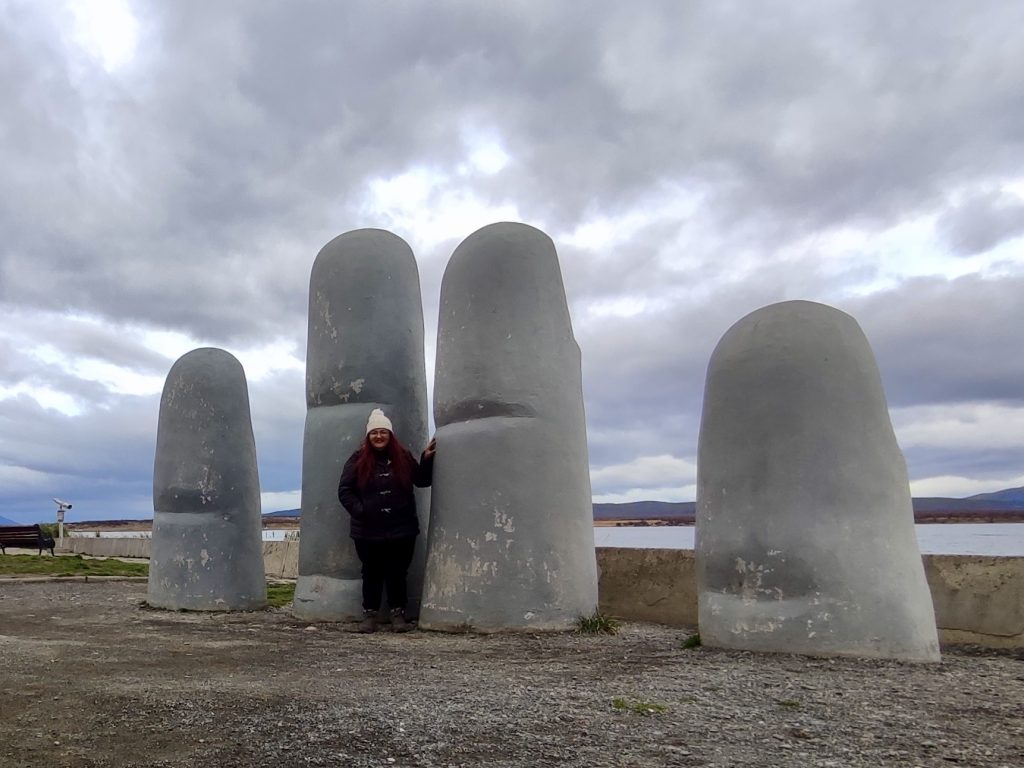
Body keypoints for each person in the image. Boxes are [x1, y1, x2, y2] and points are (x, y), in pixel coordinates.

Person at [338, 408, 435, 633]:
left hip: (402, 528)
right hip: (367, 529)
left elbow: (421, 481)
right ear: (368, 436)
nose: (379, 436)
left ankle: (398, 615)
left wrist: (426, 459)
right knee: (371, 571)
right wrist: (361, 510)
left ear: (390, 435)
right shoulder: (356, 459)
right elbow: (345, 490)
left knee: (398, 572)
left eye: (383, 432)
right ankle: (369, 615)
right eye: (374, 433)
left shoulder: (403, 457)